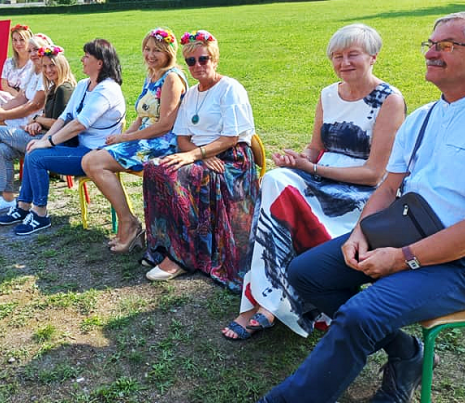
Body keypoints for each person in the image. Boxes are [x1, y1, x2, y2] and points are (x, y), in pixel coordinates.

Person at [256, 11, 465, 403]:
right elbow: (388, 188)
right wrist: (360, 234)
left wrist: (402, 258)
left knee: (360, 314)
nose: (431, 54)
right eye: (431, 44)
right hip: (404, 234)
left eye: (446, 46)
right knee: (306, 273)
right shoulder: (424, 116)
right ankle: (406, 353)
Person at [222, 24, 405, 341]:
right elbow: (316, 149)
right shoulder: (328, 94)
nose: (344, 62)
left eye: (352, 54)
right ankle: (266, 297)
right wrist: (298, 160)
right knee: (276, 179)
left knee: (282, 190)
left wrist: (313, 169)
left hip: (362, 193)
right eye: (337, 56)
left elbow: (375, 174)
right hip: (321, 175)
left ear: (373, 57)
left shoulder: (389, 100)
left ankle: (269, 300)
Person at [141, 30, 258, 290]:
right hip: (201, 154)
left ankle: (182, 256)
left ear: (214, 59)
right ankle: (165, 245)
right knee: (153, 168)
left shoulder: (230, 88)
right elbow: (182, 137)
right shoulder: (192, 93)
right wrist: (197, 155)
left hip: (231, 159)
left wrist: (196, 155)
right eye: (191, 61)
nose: (197, 66)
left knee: (174, 174)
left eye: (203, 59)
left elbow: (231, 137)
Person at [0, 38, 126, 236]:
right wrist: (43, 140)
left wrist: (48, 142)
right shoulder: (83, 85)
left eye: (86, 56)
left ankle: (39, 213)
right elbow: (64, 118)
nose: (82, 60)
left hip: (97, 154)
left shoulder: (107, 89)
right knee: (34, 150)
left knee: (36, 157)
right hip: (80, 149)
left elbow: (79, 124)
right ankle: (23, 207)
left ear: (100, 63)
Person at [81, 27, 187, 253]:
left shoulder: (172, 78)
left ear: (169, 52)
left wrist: (125, 137)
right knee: (90, 159)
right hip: (145, 139)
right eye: (147, 49)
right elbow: (141, 117)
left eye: (157, 50)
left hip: (162, 143)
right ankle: (128, 222)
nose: (150, 55)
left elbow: (165, 125)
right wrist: (121, 139)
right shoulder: (152, 75)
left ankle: (129, 224)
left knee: (94, 162)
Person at [0, 46, 76, 213]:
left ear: (62, 65)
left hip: (54, 143)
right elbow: (48, 115)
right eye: (45, 66)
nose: (48, 70)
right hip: (42, 134)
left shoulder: (64, 88)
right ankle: (7, 198)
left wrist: (37, 119)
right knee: (2, 148)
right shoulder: (54, 87)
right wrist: (37, 123)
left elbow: (58, 122)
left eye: (52, 66)